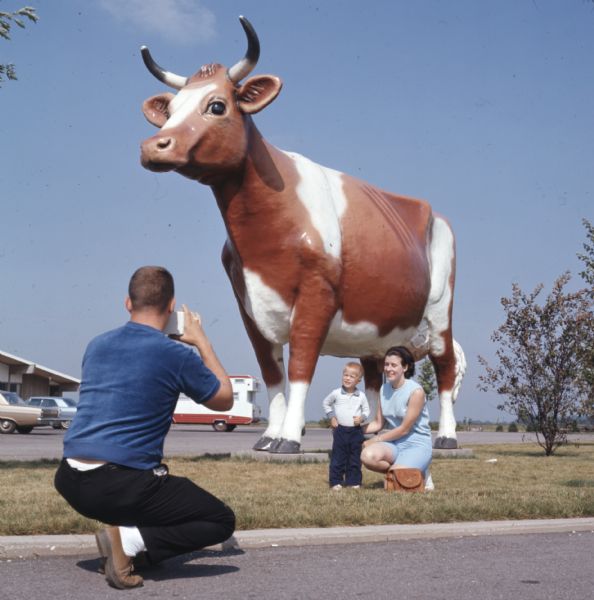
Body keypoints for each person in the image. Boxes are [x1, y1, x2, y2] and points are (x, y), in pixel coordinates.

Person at [54, 266, 235, 590]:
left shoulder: (97, 345)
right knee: (220, 520)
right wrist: (202, 341)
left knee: (152, 504)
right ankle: (127, 542)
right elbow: (224, 400)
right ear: (171, 307)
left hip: (70, 479)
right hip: (120, 484)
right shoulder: (176, 355)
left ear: (127, 303)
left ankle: (125, 543)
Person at [361, 346, 432, 490]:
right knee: (366, 456)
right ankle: (400, 471)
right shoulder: (384, 389)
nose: (388, 368)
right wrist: (352, 428)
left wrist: (376, 439)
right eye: (386, 364)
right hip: (394, 443)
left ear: (405, 367)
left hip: (416, 444)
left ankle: (422, 472)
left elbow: (405, 429)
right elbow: (378, 423)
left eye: (394, 365)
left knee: (393, 485)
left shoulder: (416, 392)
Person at [322, 362, 370, 490]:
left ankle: (353, 481)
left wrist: (361, 418)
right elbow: (326, 403)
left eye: (352, 376)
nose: (348, 378)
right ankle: (336, 481)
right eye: (345, 375)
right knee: (338, 457)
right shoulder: (336, 393)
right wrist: (332, 417)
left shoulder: (361, 396)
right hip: (340, 430)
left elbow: (366, 411)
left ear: (358, 380)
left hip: (356, 431)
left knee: (354, 457)